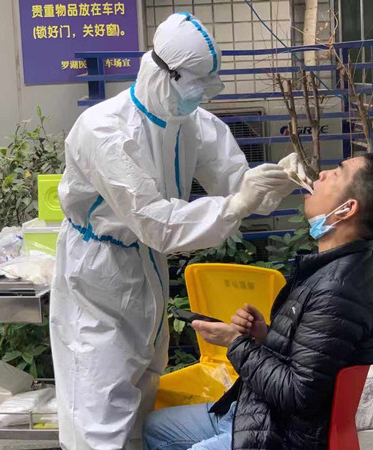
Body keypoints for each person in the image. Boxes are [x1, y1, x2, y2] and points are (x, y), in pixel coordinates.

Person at [50, 13, 307, 450]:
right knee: (100, 404)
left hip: (146, 267)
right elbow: (156, 223)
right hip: (98, 274)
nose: (201, 94)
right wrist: (237, 203)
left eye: (208, 85)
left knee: (144, 385)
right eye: (195, 83)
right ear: (162, 71)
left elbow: (238, 188)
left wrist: (276, 180)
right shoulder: (103, 131)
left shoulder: (193, 123)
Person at [143, 153, 373, 450]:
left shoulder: (339, 289)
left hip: (280, 435)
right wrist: (263, 335)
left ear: (347, 209)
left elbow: (299, 394)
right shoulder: (332, 268)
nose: (321, 174)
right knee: (155, 428)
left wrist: (234, 343)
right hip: (258, 412)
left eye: (336, 173)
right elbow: (312, 358)